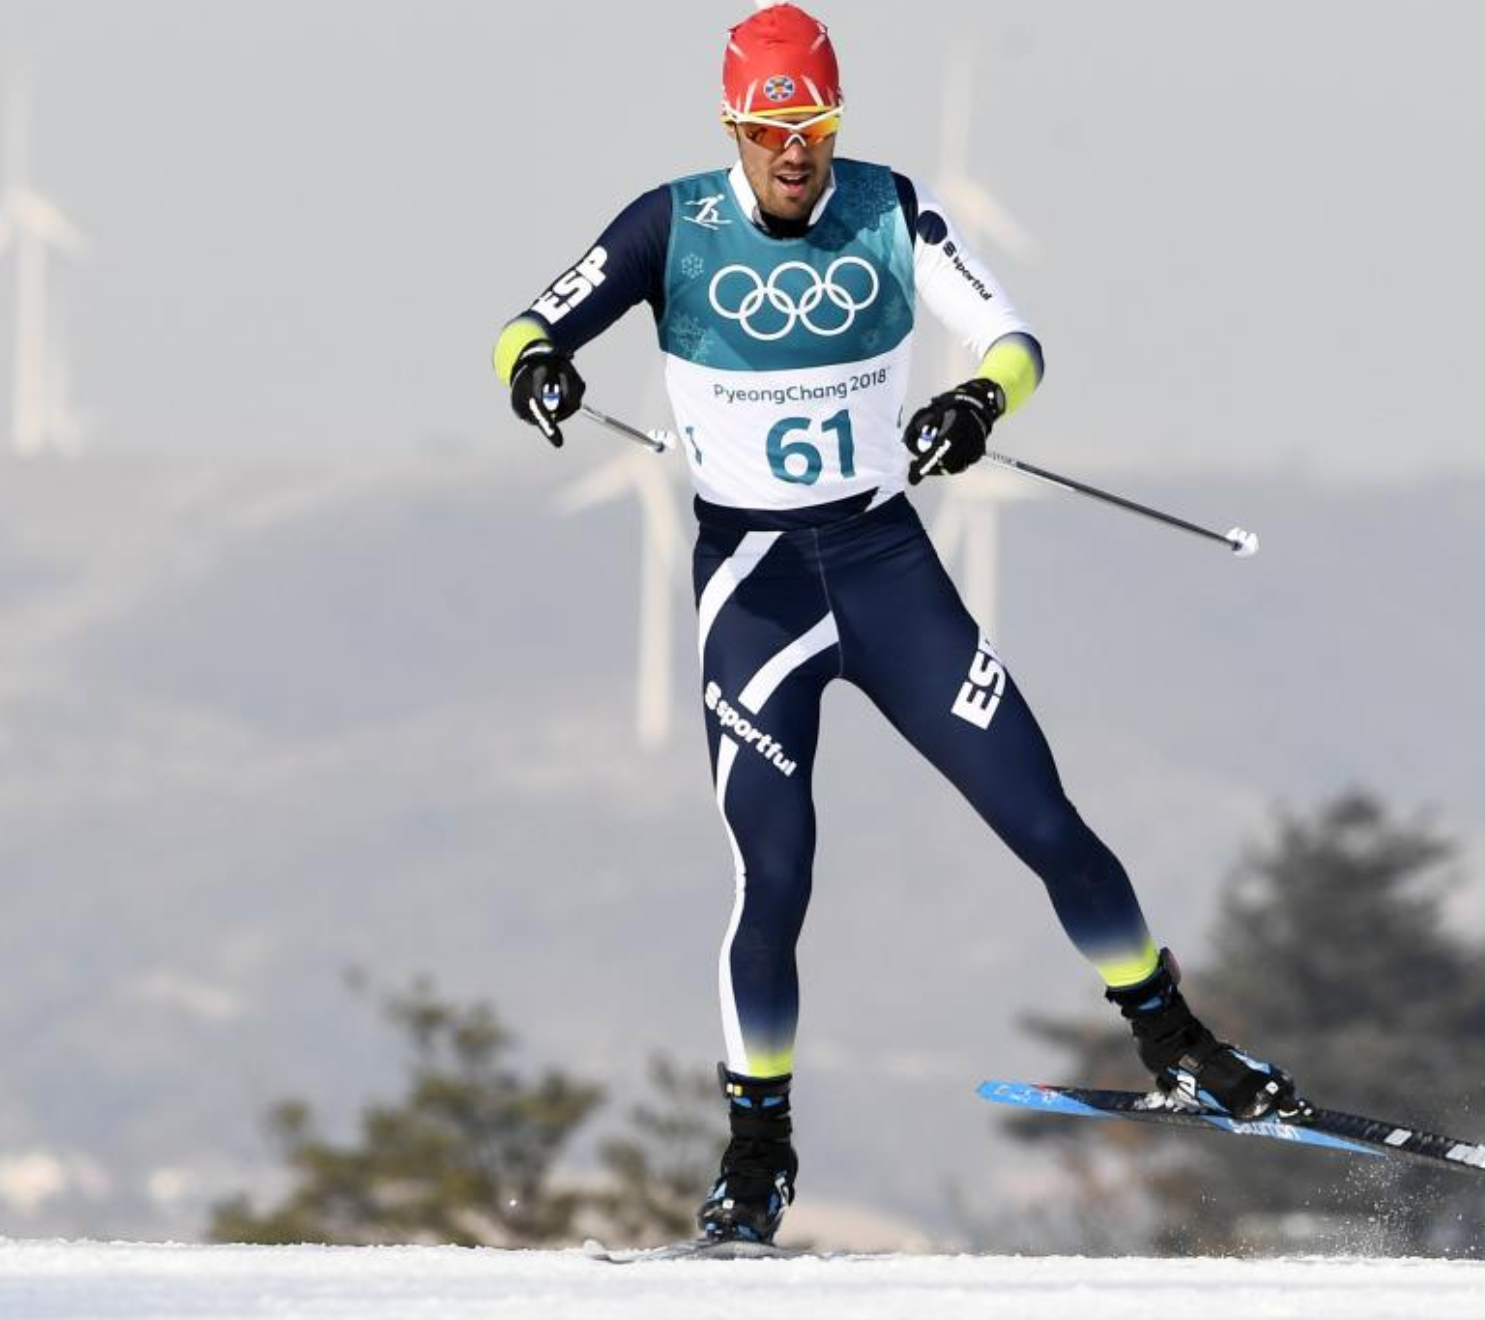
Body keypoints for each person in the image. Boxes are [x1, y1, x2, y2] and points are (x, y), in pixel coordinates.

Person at [493, 2, 1304, 1245]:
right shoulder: (671, 223)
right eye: (771, 129)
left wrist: (978, 400)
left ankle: (1178, 1044)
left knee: (1046, 821)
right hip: (753, 593)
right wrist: (539, 366)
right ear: (734, 128)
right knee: (775, 876)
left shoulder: (889, 207)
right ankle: (757, 1153)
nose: (795, 151)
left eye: (813, 124)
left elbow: (1015, 338)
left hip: (884, 570)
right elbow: (524, 324)